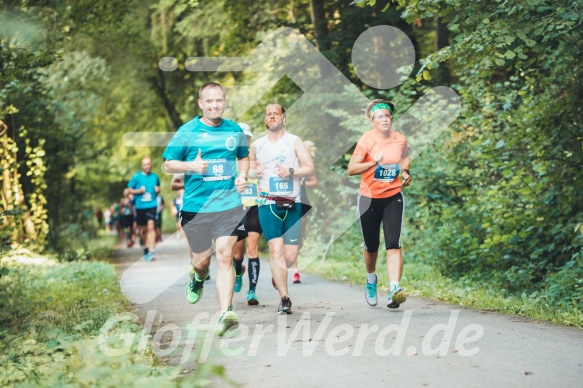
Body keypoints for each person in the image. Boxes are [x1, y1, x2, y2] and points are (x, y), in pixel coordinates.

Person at [163, 82, 249, 336]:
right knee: (202, 262)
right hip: (196, 207)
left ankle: (225, 313)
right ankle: (198, 277)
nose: (214, 105)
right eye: (209, 101)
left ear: (224, 102)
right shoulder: (187, 132)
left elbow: (243, 157)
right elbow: (168, 165)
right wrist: (191, 167)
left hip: (229, 205)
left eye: (219, 101)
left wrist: (242, 176)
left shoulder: (234, 130)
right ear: (201, 104)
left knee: (225, 254)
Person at [249, 103, 315, 314]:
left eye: (276, 114)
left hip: (293, 202)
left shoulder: (294, 141)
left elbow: (309, 168)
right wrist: (254, 172)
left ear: (283, 118)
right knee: (276, 248)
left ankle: (279, 274)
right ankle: (284, 298)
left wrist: (291, 171)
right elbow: (248, 169)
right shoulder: (257, 145)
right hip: (267, 203)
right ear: (265, 120)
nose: (272, 117)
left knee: (289, 255)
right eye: (268, 114)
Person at [347, 99, 411, 309]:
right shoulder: (366, 140)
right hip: (369, 198)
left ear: (392, 118)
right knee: (371, 245)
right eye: (380, 116)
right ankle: (371, 279)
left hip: (393, 195)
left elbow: (405, 156)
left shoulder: (400, 139)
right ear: (372, 121)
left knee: (393, 243)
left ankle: (394, 289)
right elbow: (352, 168)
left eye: (387, 115)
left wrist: (405, 171)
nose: (385, 119)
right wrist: (374, 162)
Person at [232, 123, 263, 306]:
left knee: (252, 247)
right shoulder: (230, 160)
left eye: (248, 137)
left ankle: (252, 291)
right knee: (237, 253)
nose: (246, 140)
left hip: (255, 207)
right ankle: (238, 270)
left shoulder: (258, 158)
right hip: (235, 209)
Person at [292, 140, 318, 284]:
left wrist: (303, 183)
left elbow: (315, 182)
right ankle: (293, 268)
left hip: (303, 200)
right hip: (289, 200)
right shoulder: (289, 162)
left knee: (299, 237)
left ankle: (295, 265)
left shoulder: (306, 166)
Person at [127, 157, 160, 261]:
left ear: (151, 165)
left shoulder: (155, 177)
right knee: (143, 230)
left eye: (148, 164)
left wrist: (158, 190)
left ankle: (152, 250)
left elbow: (158, 189)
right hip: (140, 206)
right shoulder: (137, 177)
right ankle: (145, 248)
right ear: (142, 166)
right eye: (145, 164)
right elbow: (129, 190)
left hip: (152, 205)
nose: (147, 166)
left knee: (151, 227)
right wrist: (138, 191)